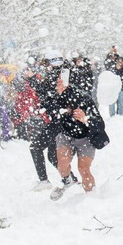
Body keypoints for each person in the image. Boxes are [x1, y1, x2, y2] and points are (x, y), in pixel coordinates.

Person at [46, 58, 101, 195]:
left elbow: (99, 122)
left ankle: (91, 195)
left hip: (85, 137)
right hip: (66, 135)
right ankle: (67, 179)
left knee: (83, 169)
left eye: (61, 79)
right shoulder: (54, 96)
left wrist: (85, 118)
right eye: (57, 80)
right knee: (62, 165)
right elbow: (50, 114)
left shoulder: (83, 97)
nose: (59, 82)